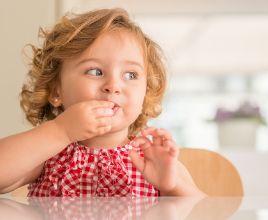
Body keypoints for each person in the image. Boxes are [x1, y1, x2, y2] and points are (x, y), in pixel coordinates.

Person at [0, 8, 205, 197]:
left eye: (131, 75)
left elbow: (208, 212)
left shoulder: (152, 159)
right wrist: (61, 131)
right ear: (56, 91)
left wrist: (171, 187)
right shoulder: (49, 153)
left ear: (145, 93)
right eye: (95, 71)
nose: (113, 86)